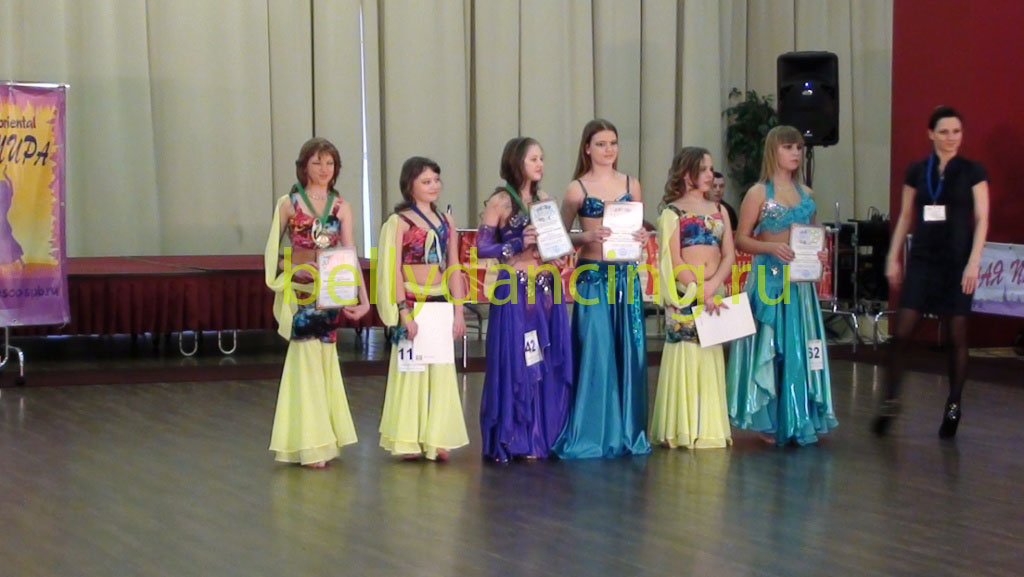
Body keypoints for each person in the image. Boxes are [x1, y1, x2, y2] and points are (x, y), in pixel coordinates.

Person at [873, 106, 990, 439]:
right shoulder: (917, 171)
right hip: (923, 259)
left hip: (957, 261)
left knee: (956, 335)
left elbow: (982, 218)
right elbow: (905, 216)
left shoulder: (973, 171)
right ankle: (890, 400)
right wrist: (893, 256)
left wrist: (974, 261)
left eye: (956, 131)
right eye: (944, 132)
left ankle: (954, 404)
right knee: (903, 331)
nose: (951, 138)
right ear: (931, 134)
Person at [726, 126, 838, 446]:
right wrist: (771, 247)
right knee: (770, 345)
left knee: (799, 346)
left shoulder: (807, 193)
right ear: (773, 150)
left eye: (799, 148)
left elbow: (813, 235)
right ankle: (770, 419)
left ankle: (799, 413)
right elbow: (741, 238)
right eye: (788, 147)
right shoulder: (758, 193)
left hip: (799, 283)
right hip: (769, 278)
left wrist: (819, 252)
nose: (795, 153)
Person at [263, 137, 370, 468]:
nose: (324, 169)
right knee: (305, 361)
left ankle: (322, 440)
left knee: (324, 362)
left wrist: (364, 298)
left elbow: (349, 251)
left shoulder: (341, 207)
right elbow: (272, 250)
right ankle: (310, 443)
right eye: (317, 162)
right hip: (302, 290)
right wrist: (288, 266)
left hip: (331, 289)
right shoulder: (289, 204)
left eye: (330, 163)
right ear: (303, 166)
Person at [551, 119, 651, 459]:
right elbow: (558, 239)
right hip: (593, 275)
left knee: (628, 349)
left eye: (613, 143)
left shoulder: (631, 184)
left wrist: (642, 236)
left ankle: (627, 430)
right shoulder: (576, 189)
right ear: (587, 148)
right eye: (601, 144)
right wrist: (586, 236)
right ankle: (592, 431)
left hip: (625, 275)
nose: (609, 150)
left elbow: (638, 231)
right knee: (596, 349)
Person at [476, 137, 573, 462]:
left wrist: (556, 253)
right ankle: (514, 435)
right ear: (517, 161)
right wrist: (517, 243)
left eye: (542, 158)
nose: (540, 164)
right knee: (516, 359)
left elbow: (556, 243)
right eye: (533, 159)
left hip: (544, 287)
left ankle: (540, 436)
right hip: (515, 288)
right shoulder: (501, 201)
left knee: (544, 357)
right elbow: (482, 247)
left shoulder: (545, 200)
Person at [376, 156, 470, 460]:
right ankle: (408, 438)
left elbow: (453, 265)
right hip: (413, 302)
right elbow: (393, 270)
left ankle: (438, 438)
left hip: (439, 301)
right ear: (410, 185)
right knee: (411, 370)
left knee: (441, 370)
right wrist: (403, 312)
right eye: (426, 181)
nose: (434, 186)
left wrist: (458, 311)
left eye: (436, 180)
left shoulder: (446, 222)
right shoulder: (399, 222)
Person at [650, 147, 734, 449]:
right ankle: (683, 428)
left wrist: (714, 285)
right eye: (704, 169)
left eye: (711, 168)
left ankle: (708, 428)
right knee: (686, 353)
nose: (711, 174)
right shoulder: (672, 212)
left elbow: (729, 253)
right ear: (687, 174)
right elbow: (674, 260)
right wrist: (699, 290)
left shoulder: (720, 209)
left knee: (710, 354)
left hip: (713, 291)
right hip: (686, 295)